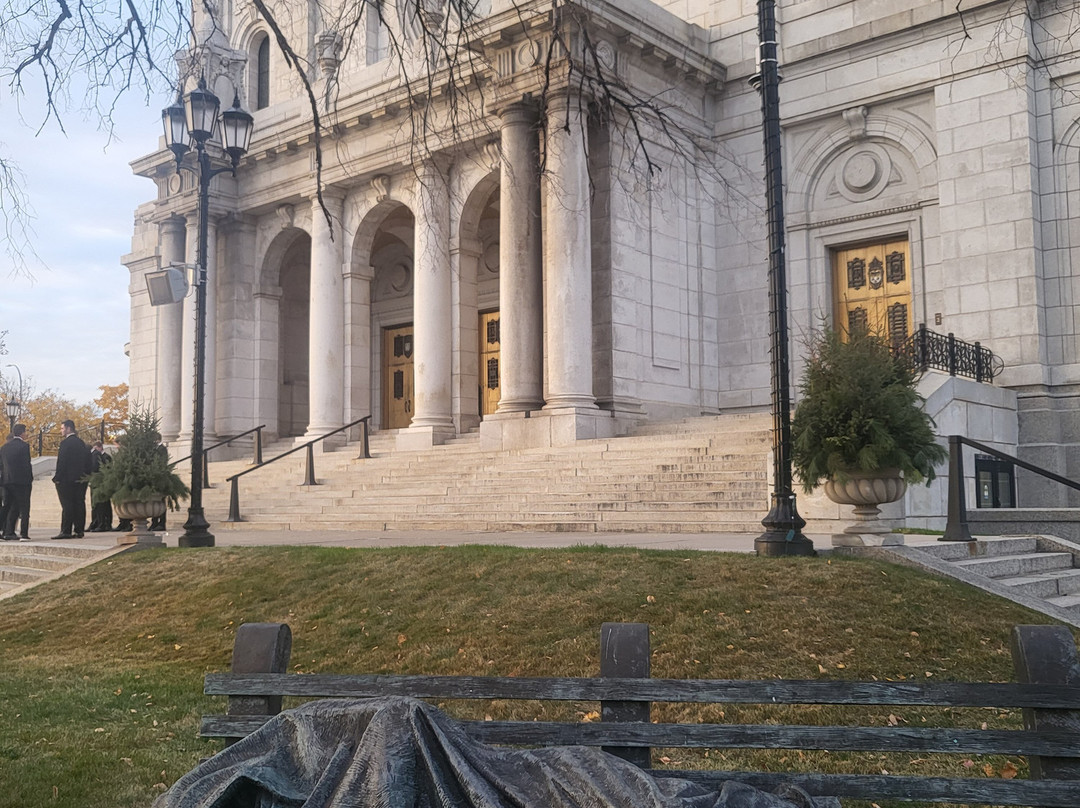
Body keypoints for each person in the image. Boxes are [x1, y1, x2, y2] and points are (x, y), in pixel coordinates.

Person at [52, 419, 92, 539]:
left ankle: (66, 530)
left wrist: (57, 477)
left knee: (67, 505)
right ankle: (79, 530)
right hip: (80, 478)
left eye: (62, 428)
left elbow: (62, 462)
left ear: (69, 428)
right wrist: (86, 475)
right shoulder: (82, 443)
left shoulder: (65, 443)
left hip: (66, 479)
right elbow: (88, 462)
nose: (61, 431)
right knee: (79, 503)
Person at [0, 425, 33, 540]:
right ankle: (24, 533)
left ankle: (7, 532)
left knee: (8, 506)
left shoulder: (4, 447)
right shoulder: (24, 446)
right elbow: (26, 464)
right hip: (22, 481)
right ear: (22, 433)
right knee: (24, 507)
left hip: (7, 481)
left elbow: (1, 466)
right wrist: (29, 479)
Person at [87, 441, 113, 532]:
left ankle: (104, 523)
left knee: (102, 504)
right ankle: (96, 522)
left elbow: (96, 468)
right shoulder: (96, 455)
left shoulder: (101, 456)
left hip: (100, 481)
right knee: (96, 504)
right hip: (96, 481)